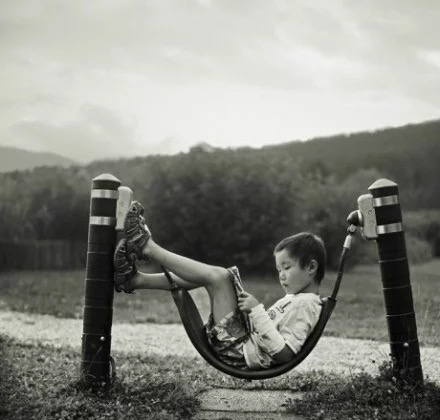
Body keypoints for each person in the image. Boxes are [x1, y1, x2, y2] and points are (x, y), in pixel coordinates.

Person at [113, 201, 325, 370]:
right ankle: (136, 279)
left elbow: (285, 354)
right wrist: (251, 312)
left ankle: (147, 248)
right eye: (279, 270)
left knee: (219, 277)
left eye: (286, 267)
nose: (281, 276)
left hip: (239, 350)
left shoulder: (305, 306)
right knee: (224, 275)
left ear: (311, 267)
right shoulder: (298, 300)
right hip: (240, 342)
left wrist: (256, 310)